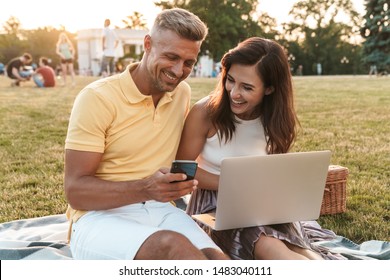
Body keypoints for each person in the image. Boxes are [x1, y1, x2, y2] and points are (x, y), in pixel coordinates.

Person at [64, 8, 229, 260]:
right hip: (97, 217)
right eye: (171, 57)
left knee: (217, 260)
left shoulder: (181, 93)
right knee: (173, 247)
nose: (178, 70)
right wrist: (147, 188)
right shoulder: (97, 98)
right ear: (148, 44)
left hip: (159, 209)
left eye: (188, 63)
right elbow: (75, 191)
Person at [176, 37, 346, 260]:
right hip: (214, 207)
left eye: (247, 87)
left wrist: (298, 189)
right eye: (230, 80)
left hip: (263, 203)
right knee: (268, 246)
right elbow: (181, 169)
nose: (234, 93)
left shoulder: (276, 121)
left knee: (303, 250)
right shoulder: (205, 112)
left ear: (269, 89)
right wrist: (234, 184)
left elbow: (272, 169)